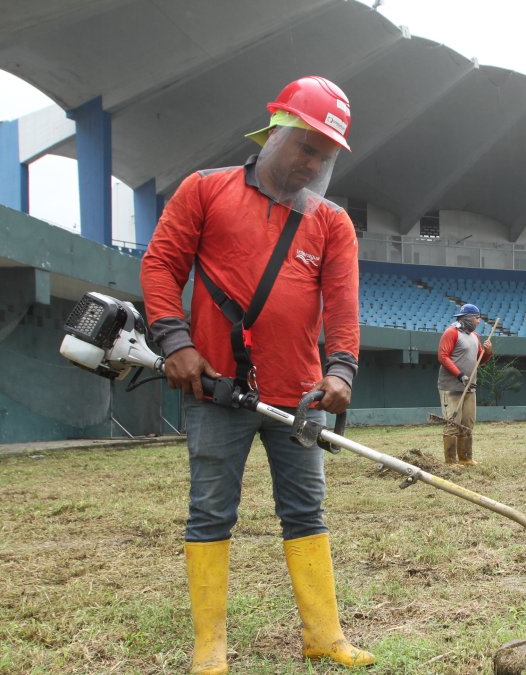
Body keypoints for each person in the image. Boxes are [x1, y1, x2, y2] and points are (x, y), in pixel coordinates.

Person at [141, 76, 373, 673]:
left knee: (307, 511)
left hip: (299, 396)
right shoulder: (204, 190)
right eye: (305, 148)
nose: (311, 165)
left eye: (323, 158)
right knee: (211, 510)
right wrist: (175, 341)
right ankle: (209, 647)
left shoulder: (331, 223)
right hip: (214, 388)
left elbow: (343, 307)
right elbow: (162, 265)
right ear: (274, 130)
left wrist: (341, 370)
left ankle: (324, 635)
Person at [437, 303, 493, 466]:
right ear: (467, 318)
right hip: (451, 387)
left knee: (467, 423)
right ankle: (451, 462)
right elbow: (443, 356)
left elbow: (479, 361)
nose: (478, 321)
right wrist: (459, 375)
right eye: (476, 318)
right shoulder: (451, 332)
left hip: (470, 387)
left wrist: (488, 352)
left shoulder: (475, 337)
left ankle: (466, 458)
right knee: (453, 424)